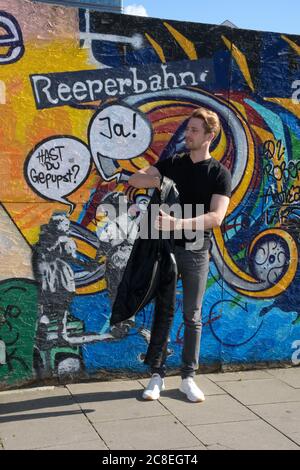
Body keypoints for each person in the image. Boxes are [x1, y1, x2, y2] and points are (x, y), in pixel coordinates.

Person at [128, 107, 231, 402]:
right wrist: (157, 178)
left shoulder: (219, 174)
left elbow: (216, 217)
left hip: (197, 251)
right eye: (188, 129)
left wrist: (179, 223)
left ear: (210, 136)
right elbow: (137, 180)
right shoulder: (174, 163)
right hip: (167, 250)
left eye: (195, 130)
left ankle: (188, 377)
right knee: (164, 312)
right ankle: (157, 376)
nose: (188, 134)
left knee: (192, 316)